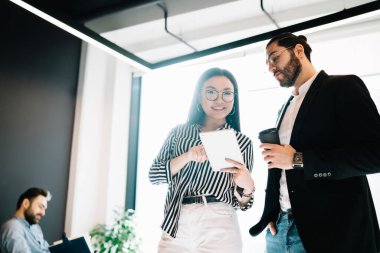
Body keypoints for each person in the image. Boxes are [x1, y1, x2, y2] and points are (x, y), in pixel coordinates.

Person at [249, 32, 380, 253]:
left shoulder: (342, 87)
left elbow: (375, 155)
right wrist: (272, 213)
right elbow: (281, 169)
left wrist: (298, 160)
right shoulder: (285, 107)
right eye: (267, 63)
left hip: (330, 233)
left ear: (298, 51)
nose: (271, 67)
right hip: (279, 231)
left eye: (274, 57)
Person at [149, 67, 255, 253]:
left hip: (219, 223)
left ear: (234, 98)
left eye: (227, 93)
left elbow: (243, 204)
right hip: (176, 221)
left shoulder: (242, 142)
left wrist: (247, 187)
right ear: (199, 96)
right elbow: (154, 175)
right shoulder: (179, 133)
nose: (219, 99)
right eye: (211, 92)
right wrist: (187, 156)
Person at [0, 187, 51, 253]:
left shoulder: (36, 227)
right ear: (25, 203)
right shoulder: (13, 227)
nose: (43, 213)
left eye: (44, 209)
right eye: (41, 207)